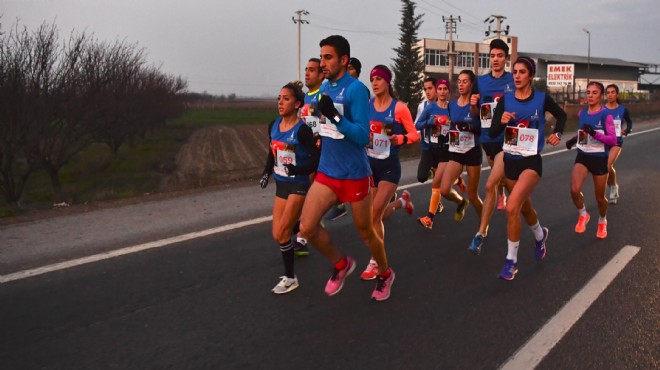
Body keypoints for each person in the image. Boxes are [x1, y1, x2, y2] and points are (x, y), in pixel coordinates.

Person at [299, 35, 395, 301]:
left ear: (344, 60)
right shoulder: (325, 89)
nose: (322, 63)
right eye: (321, 57)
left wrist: (335, 116)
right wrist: (311, 122)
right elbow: (325, 129)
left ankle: (385, 273)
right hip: (328, 171)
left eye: (328, 57)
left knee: (366, 232)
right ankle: (341, 264)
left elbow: (363, 136)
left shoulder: (356, 90)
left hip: (354, 174)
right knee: (306, 227)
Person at [489, 56, 566, 281]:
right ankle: (541, 235)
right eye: (515, 72)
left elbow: (561, 115)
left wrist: (558, 134)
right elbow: (493, 133)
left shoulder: (541, 99)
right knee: (524, 207)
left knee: (512, 207)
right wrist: (501, 121)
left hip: (531, 161)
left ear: (531, 76)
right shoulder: (505, 100)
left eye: (522, 72)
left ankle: (511, 262)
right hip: (510, 161)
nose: (517, 76)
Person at [260, 81, 320, 294]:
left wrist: (299, 170)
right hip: (282, 185)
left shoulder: (302, 131)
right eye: (279, 99)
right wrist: (266, 172)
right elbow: (272, 153)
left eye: (286, 99)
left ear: (297, 104)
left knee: (284, 232)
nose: (280, 103)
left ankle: (290, 278)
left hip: (298, 184)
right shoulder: (273, 125)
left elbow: (316, 158)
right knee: (277, 234)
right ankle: (307, 225)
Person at [360, 65, 419, 280]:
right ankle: (401, 203)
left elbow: (414, 134)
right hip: (369, 167)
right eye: (372, 79)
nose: (374, 83)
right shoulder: (366, 106)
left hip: (389, 168)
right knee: (379, 214)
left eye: (378, 79)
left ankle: (375, 261)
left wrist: (401, 139)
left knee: (374, 215)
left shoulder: (399, 108)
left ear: (387, 82)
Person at [467, 38, 515, 255]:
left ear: (506, 58)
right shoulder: (481, 82)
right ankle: (537, 228)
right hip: (489, 139)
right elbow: (477, 114)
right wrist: (473, 106)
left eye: (499, 56)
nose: (495, 60)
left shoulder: (513, 80)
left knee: (489, 186)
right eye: (492, 56)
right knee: (501, 183)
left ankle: (480, 233)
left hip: (508, 139)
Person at [566, 81, 617, 239]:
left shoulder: (606, 115)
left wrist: (595, 134)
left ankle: (602, 221)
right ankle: (583, 214)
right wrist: (573, 140)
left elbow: (613, 140)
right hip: (583, 155)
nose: (590, 95)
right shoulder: (582, 113)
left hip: (599, 158)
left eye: (594, 93)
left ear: (601, 96)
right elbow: (583, 132)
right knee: (574, 190)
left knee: (599, 198)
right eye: (588, 92)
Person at [416, 79, 466, 229]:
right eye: (440, 89)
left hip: (446, 150)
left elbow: (460, 126)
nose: (442, 91)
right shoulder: (430, 107)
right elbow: (418, 124)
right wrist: (429, 122)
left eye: (445, 89)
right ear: (437, 91)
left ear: (448, 91)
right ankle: (457, 182)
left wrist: (452, 124)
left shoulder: (452, 108)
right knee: (422, 177)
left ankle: (429, 218)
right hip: (431, 149)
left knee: (436, 182)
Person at [438, 70, 483, 229]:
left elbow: (481, 129)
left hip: (472, 151)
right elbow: (452, 126)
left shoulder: (476, 105)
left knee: (473, 194)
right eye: (459, 81)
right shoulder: (452, 105)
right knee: (443, 190)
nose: (461, 84)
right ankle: (461, 202)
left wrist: (471, 127)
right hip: (456, 150)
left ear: (471, 84)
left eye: (465, 81)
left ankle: (483, 225)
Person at [323, 59, 365, 222]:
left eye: (351, 69)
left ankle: (397, 200)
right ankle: (339, 205)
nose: (348, 72)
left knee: (367, 227)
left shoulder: (360, 91)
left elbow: (361, 131)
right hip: (336, 150)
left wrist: (335, 116)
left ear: (358, 73)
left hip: (358, 154)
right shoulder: (329, 89)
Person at [292, 58, 325, 256]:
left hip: (323, 152)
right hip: (305, 153)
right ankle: (307, 228)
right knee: (306, 192)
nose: (307, 73)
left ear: (321, 74)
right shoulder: (304, 99)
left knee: (309, 193)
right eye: (306, 69)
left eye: (311, 70)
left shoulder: (324, 95)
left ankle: (303, 236)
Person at [604, 84, 633, 204]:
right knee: (605, 167)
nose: (610, 95)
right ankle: (612, 185)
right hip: (603, 141)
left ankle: (613, 188)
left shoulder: (622, 109)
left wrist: (627, 130)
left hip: (616, 141)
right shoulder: (601, 108)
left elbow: (629, 122)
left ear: (617, 94)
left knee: (606, 164)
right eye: (608, 92)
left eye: (612, 92)